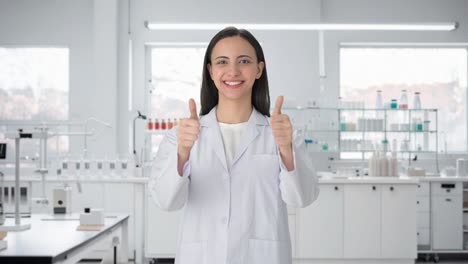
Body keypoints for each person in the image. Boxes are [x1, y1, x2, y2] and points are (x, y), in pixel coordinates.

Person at [149, 27, 319, 264]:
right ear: (210, 71)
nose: (233, 71)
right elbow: (166, 202)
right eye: (222, 62)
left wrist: (287, 151)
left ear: (259, 69)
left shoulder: (281, 134)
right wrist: (182, 155)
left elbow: (303, 198)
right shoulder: (182, 136)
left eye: (244, 61)